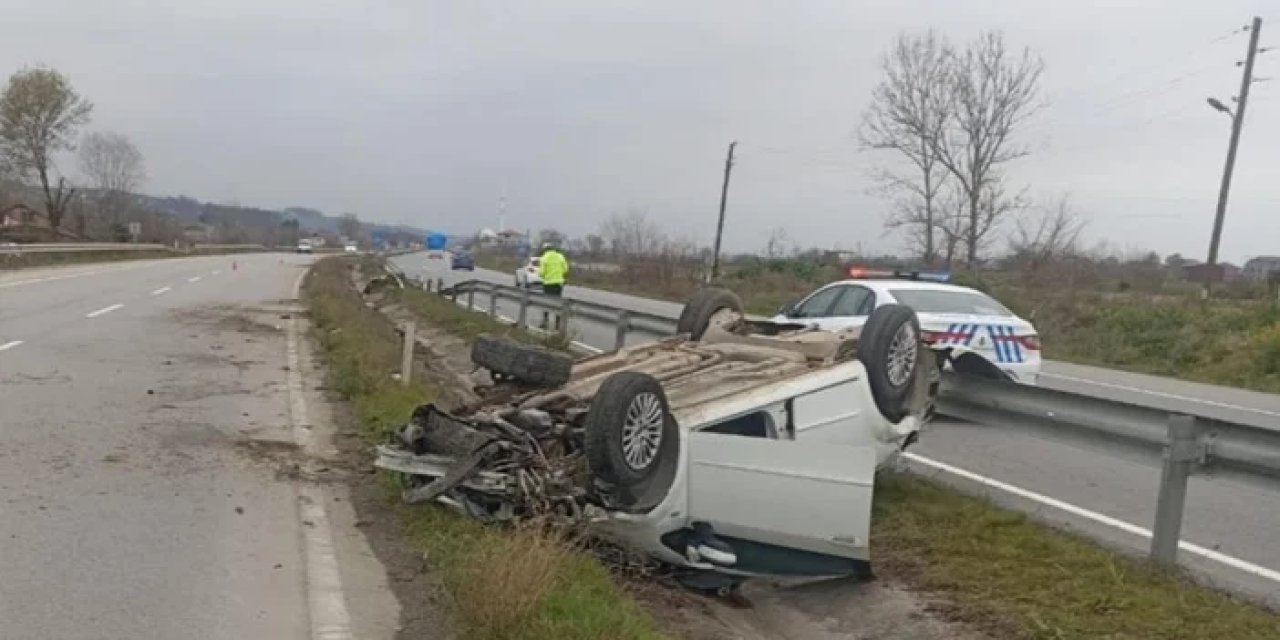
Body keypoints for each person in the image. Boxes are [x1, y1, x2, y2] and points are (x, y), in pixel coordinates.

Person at [537, 241, 569, 329]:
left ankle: (545, 323)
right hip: (559, 283)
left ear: (545, 250)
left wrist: (542, 274)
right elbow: (565, 269)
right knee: (557, 303)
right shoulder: (560, 256)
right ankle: (557, 325)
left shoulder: (544, 258)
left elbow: (542, 272)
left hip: (548, 283)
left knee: (547, 303)